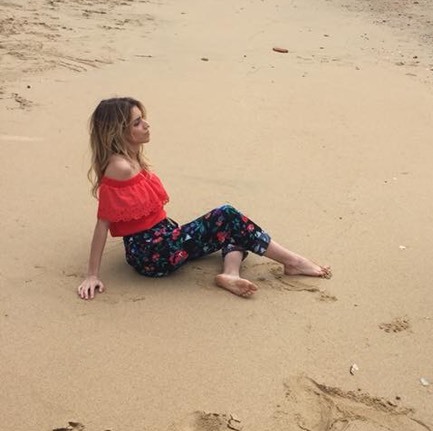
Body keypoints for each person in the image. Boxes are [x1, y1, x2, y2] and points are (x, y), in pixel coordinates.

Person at [77, 98, 331, 300]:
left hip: (164, 241)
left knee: (237, 230)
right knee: (227, 215)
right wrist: (91, 275)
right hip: (153, 254)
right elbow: (103, 222)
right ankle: (293, 262)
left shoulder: (133, 158)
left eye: (142, 119)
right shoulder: (119, 167)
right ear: (118, 131)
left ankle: (230, 274)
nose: (146, 125)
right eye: (136, 122)